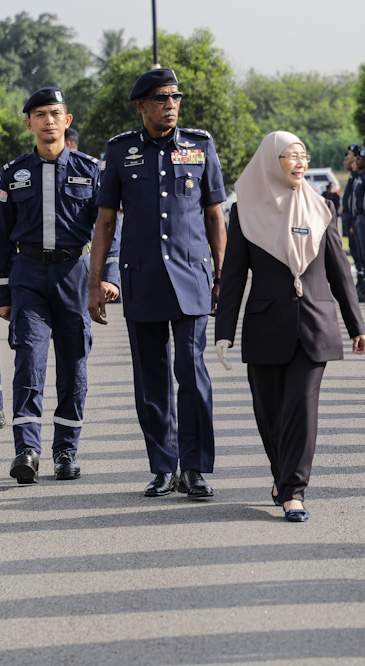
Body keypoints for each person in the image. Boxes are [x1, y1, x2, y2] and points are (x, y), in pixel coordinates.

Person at [214, 131, 365, 522]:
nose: (300, 162)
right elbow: (232, 277)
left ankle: (294, 491)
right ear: (270, 161)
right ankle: (282, 475)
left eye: (304, 155)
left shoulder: (321, 208)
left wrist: (355, 325)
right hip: (265, 326)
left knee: (301, 406)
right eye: (290, 155)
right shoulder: (245, 213)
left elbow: (340, 272)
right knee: (269, 414)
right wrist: (224, 333)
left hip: (315, 325)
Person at [88, 68, 227, 500]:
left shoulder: (200, 146)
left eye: (175, 97)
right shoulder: (120, 151)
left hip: (192, 278)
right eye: (161, 98)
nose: (171, 104)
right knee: (151, 379)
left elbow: (214, 217)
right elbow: (106, 222)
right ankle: (163, 466)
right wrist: (96, 283)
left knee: (192, 372)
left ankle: (196, 468)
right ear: (141, 105)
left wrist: (223, 277)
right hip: (143, 278)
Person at [1, 86, 120, 484]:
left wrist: (107, 277)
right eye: (40, 114)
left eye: (55, 113)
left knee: (73, 366)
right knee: (28, 363)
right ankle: (27, 451)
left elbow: (109, 229)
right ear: (29, 124)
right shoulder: (12, 174)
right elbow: (1, 238)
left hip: (75, 276)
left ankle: (65, 451)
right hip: (28, 276)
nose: (48, 120)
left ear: (66, 121)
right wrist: (3, 293)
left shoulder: (91, 169)